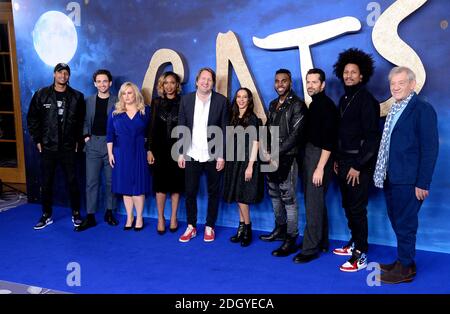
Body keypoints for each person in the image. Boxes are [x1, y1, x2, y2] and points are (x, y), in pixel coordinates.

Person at [373, 66, 438, 284]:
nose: (396, 87)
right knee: (398, 220)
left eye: (401, 83)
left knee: (406, 223)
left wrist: (423, 182)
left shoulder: (422, 109)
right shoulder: (395, 108)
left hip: (409, 180)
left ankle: (405, 269)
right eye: (393, 84)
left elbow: (430, 149)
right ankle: (404, 261)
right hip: (392, 177)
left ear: (412, 84)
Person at [332, 48, 380, 272]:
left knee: (358, 209)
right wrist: (337, 159)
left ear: (362, 76)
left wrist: (358, 166)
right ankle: (354, 243)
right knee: (347, 206)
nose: (349, 75)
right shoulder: (344, 98)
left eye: (354, 72)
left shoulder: (367, 100)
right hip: (343, 162)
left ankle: (361, 253)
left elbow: (372, 139)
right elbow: (343, 133)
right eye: (346, 72)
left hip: (358, 165)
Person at [27, 63, 85, 230]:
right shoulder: (41, 94)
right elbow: (32, 118)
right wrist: (38, 139)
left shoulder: (77, 97)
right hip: (48, 147)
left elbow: (81, 122)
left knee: (73, 181)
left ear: (69, 76)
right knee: (46, 183)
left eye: (66, 73)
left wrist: (78, 141)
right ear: (54, 74)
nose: (63, 76)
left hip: (68, 147)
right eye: (60, 73)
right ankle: (46, 215)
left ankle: (75, 213)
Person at [177, 67, 229, 242]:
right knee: (190, 191)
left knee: (213, 192)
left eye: (209, 79)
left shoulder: (221, 101)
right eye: (203, 79)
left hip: (213, 155)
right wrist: (181, 153)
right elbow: (182, 126)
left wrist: (221, 155)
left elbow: (224, 129)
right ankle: (191, 226)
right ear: (197, 81)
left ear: (213, 83)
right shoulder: (186, 100)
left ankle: (209, 226)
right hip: (191, 153)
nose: (206, 82)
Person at [259, 69, 307, 257]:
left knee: (288, 198)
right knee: (274, 195)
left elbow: (296, 136)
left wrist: (275, 152)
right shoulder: (272, 104)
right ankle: (279, 230)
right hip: (270, 157)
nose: (280, 84)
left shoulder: (297, 105)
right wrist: (264, 150)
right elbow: (266, 129)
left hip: (288, 157)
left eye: (284, 81)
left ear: (290, 83)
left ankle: (291, 238)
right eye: (277, 81)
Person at [293, 68, 338, 263]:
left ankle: (310, 248)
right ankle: (322, 241)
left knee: (312, 204)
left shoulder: (325, 106)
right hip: (312, 155)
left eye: (314, 82)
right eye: (308, 82)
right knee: (317, 202)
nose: (310, 85)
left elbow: (329, 141)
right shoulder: (315, 105)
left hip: (319, 158)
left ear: (323, 84)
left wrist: (320, 167)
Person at [75, 69, 118, 231]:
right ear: (95, 84)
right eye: (99, 81)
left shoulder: (117, 101)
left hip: (110, 144)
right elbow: (84, 120)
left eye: (105, 81)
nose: (102, 84)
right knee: (91, 182)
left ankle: (109, 212)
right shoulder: (89, 101)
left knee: (110, 181)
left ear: (110, 83)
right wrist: (86, 137)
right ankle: (91, 215)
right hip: (93, 143)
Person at [106, 82, 151, 231]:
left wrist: (150, 151)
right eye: (124, 93)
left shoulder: (145, 111)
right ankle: (129, 216)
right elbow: (110, 134)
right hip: (121, 153)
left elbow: (151, 134)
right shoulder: (115, 111)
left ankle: (139, 217)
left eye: (130, 93)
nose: (127, 96)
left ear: (135, 94)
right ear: (121, 95)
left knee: (138, 187)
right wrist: (111, 153)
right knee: (126, 188)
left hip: (139, 152)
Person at [223, 88, 264, 247]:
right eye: (238, 97)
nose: (241, 100)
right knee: (237, 195)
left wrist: (250, 166)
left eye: (244, 97)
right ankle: (241, 228)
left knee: (242, 197)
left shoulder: (252, 119)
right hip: (234, 161)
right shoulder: (233, 118)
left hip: (246, 161)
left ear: (249, 100)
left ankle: (248, 229)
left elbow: (256, 143)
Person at [147, 71, 184, 234]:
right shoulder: (156, 102)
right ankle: (161, 218)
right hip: (159, 150)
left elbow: (187, 127)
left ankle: (174, 217)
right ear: (162, 85)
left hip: (177, 149)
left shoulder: (184, 102)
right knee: (160, 186)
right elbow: (151, 127)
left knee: (176, 186)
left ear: (177, 85)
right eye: (166, 83)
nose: (169, 86)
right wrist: (149, 149)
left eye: (172, 83)